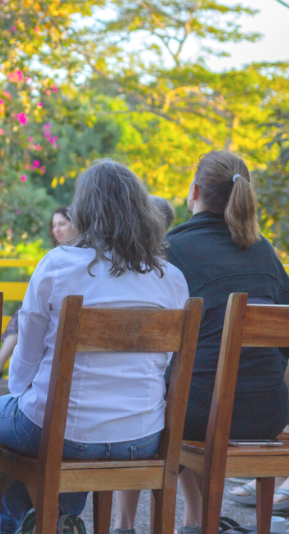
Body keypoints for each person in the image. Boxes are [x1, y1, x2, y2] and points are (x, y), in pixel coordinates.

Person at [0, 160, 189, 534]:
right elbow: (162, 363)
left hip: (62, 430)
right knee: (49, 431)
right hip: (143, 435)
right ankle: (59, 519)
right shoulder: (172, 278)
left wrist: (21, 395)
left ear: (82, 211)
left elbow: (27, 355)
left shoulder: (58, 265)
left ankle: (40, 521)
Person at [113, 152, 289, 534]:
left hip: (198, 414)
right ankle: (195, 522)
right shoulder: (267, 253)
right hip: (270, 414)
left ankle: (123, 525)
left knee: (152, 392)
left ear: (194, 192)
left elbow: (149, 342)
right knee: (190, 388)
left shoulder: (170, 250)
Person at [0, 207, 77, 372]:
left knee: (26, 313)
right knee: (24, 313)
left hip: (66, 314)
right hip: (59, 312)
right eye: (54, 225)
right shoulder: (54, 255)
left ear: (74, 225)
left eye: (62, 224)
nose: (57, 229)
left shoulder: (74, 256)